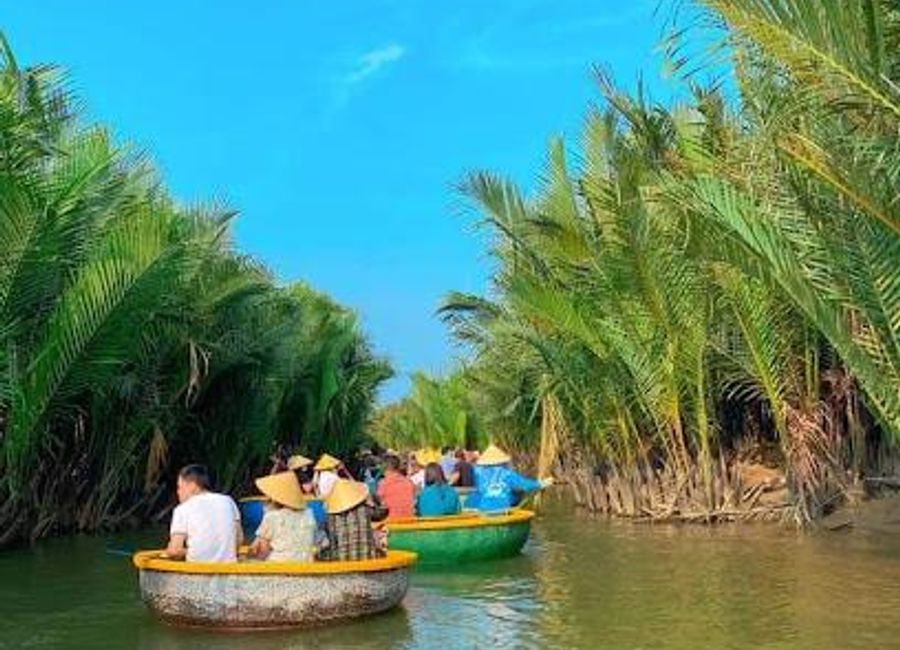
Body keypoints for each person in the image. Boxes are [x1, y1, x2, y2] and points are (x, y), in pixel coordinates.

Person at [165, 464, 242, 562]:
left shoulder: (182, 509)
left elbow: (175, 551)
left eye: (180, 487)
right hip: (228, 566)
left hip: (198, 567)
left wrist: (184, 551)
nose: (178, 492)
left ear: (192, 485)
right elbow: (239, 539)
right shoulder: (228, 501)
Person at [249, 471, 316, 562]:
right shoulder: (309, 514)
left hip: (279, 564)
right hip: (305, 563)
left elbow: (263, 552)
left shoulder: (272, 517)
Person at [467, 444, 552, 512]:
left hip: (483, 508)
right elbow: (525, 485)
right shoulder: (507, 474)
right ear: (503, 462)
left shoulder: (478, 473)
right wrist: (541, 484)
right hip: (502, 509)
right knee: (516, 493)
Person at [320, 479, 384, 561]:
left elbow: (333, 543)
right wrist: (371, 502)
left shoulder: (331, 517)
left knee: (321, 552)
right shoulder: (365, 509)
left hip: (342, 560)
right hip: (367, 557)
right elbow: (382, 513)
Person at [377, 454, 416, 519]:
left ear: (383, 468)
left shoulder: (383, 484)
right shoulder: (409, 482)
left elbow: (380, 503)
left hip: (391, 521)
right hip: (408, 520)